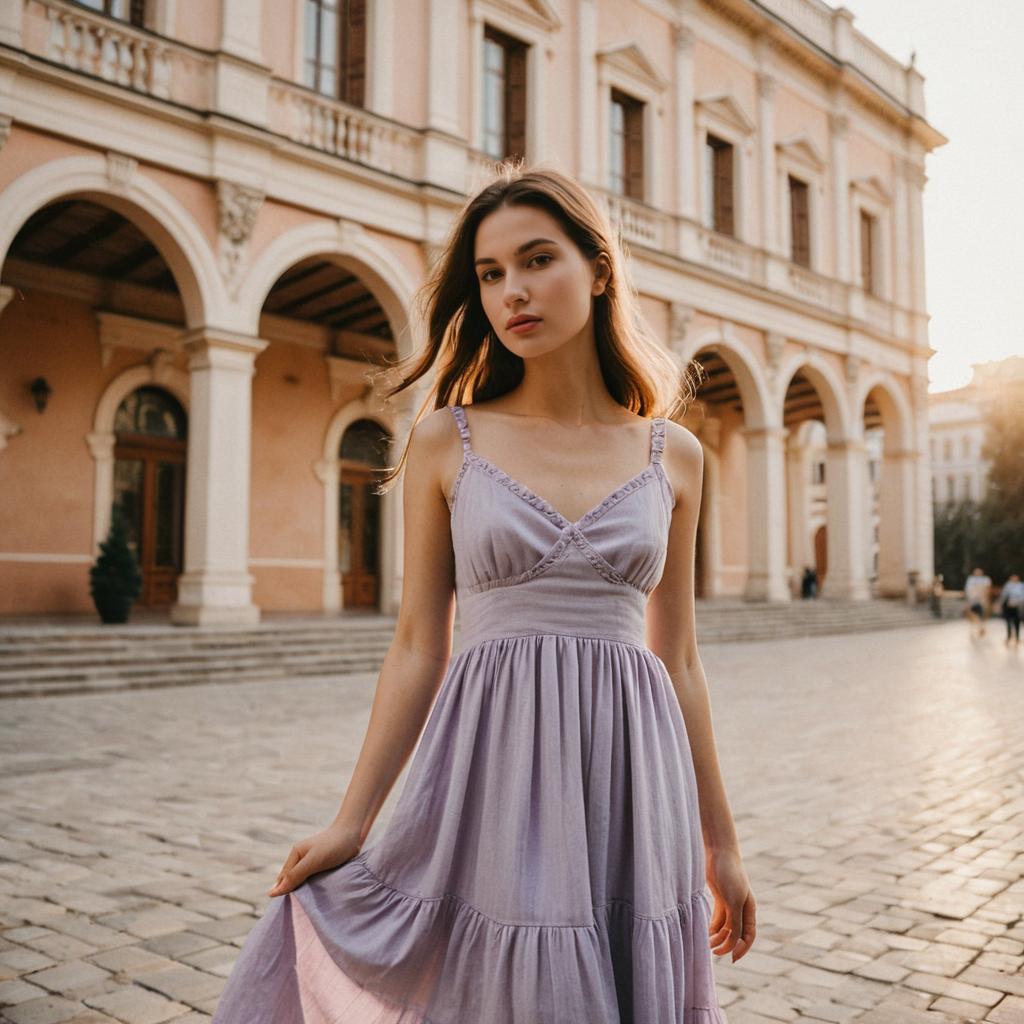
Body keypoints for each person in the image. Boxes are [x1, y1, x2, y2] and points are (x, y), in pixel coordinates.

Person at [210, 164, 752, 1023]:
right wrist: (354, 821)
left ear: (600, 269)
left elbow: (679, 657)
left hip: (632, 774)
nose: (512, 292)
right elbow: (420, 644)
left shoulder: (672, 455)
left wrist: (720, 846)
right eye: (491, 275)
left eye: (537, 260)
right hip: (491, 763)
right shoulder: (444, 441)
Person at [964, 567, 992, 638]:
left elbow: (987, 589)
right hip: (973, 600)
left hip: (982, 600)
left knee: (982, 614)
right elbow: (968, 590)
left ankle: (981, 628)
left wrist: (985, 597)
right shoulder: (970, 579)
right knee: (972, 614)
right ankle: (975, 629)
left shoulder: (986, 579)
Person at [1000, 572, 1023, 647]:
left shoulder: (1021, 585)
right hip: (1008, 606)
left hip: (1017, 606)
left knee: (1017, 622)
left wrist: (1018, 601)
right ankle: (1009, 636)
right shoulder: (1008, 585)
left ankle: (1017, 637)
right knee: (1008, 622)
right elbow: (1003, 595)